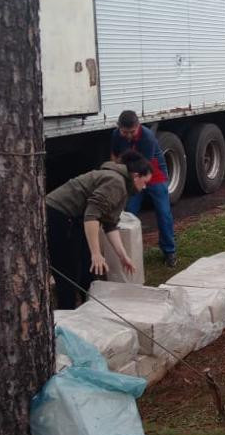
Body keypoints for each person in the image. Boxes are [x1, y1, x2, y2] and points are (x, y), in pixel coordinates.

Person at [46, 151, 151, 309]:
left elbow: (109, 224)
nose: (145, 187)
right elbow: (91, 215)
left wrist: (123, 256)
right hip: (57, 216)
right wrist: (96, 253)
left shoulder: (123, 187)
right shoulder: (116, 182)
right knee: (69, 273)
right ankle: (65, 318)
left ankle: (90, 309)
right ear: (136, 176)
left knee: (88, 268)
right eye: (144, 182)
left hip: (74, 219)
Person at [111, 111, 178, 268]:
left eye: (131, 132)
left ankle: (169, 251)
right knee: (129, 212)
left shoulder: (147, 137)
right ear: (119, 128)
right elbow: (115, 157)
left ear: (138, 126)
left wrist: (134, 183)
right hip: (132, 172)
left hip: (152, 171)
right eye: (124, 132)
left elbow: (143, 167)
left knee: (163, 211)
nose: (127, 136)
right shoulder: (116, 135)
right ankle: (128, 251)